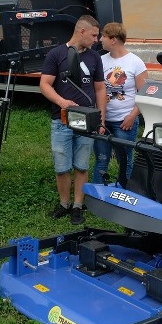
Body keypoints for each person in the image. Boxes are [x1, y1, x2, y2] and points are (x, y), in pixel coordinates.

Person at [39, 15, 107, 225]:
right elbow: (44, 84)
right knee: (62, 166)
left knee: (82, 165)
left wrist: (101, 119)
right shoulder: (57, 54)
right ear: (82, 31)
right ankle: (64, 204)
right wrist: (62, 102)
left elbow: (100, 88)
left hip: (87, 122)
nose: (96, 39)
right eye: (94, 35)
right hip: (62, 120)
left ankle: (78, 205)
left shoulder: (95, 57)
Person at [92, 22, 147, 185]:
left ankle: (125, 194)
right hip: (103, 121)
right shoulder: (100, 60)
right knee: (101, 160)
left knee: (125, 162)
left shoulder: (135, 62)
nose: (100, 39)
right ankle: (98, 195)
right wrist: (99, 119)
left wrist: (132, 116)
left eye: (104, 36)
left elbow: (144, 95)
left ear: (113, 39)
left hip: (124, 122)